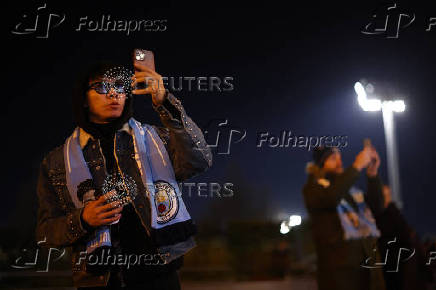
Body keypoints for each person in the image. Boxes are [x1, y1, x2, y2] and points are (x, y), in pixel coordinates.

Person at [35, 60, 212, 289]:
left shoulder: (156, 139)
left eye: (120, 86)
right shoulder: (56, 162)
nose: (113, 93)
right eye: (101, 86)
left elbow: (200, 160)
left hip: (160, 277)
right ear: (84, 100)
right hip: (99, 281)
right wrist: (82, 220)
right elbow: (44, 234)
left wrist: (165, 102)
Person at [302, 145, 386, 290]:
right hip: (340, 274)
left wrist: (372, 175)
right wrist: (357, 166)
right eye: (333, 158)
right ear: (321, 164)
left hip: (367, 269)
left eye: (340, 158)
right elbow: (330, 198)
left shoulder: (349, 190)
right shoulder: (313, 189)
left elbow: (376, 207)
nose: (340, 163)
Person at [376, 185, 434, 290]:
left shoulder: (392, 212)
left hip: (402, 266)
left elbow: (405, 232)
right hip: (393, 265)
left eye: (388, 195)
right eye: (384, 195)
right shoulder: (382, 215)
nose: (387, 198)